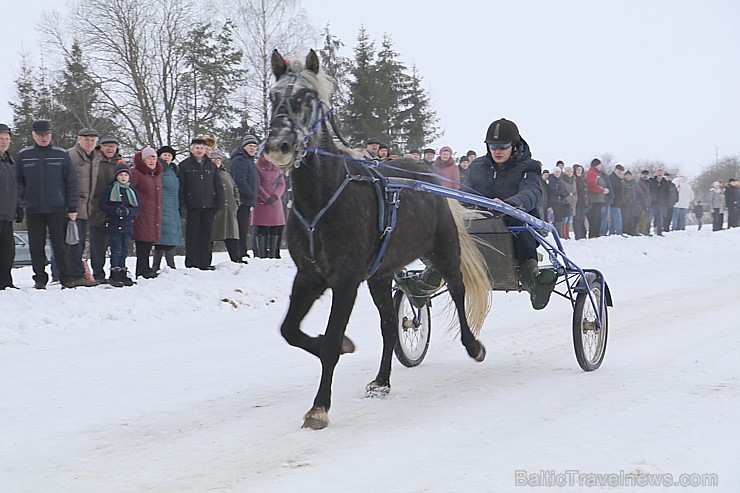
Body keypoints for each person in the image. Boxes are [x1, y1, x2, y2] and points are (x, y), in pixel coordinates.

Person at [464, 118, 556, 310]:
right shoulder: (477, 167)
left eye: (503, 146)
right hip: (482, 226)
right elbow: (465, 192)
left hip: (516, 226)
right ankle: (428, 281)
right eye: (492, 146)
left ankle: (534, 284)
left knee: (522, 229)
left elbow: (532, 192)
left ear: (514, 146)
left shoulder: (529, 167)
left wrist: (508, 204)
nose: (497, 151)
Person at [16, 120, 96, 289]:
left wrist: (72, 207)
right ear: (33, 136)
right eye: (40, 135)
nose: (44, 138)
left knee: (61, 246)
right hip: (34, 208)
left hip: (57, 208)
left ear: (51, 135)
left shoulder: (61, 154)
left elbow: (71, 182)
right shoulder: (24, 155)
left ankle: (65, 278)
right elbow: (18, 180)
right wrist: (24, 197)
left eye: (46, 134)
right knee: (36, 246)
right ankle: (39, 278)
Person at [179, 137, 223, 269]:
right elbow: (181, 188)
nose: (199, 150)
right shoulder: (184, 165)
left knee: (206, 236)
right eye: (197, 148)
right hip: (193, 206)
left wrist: (219, 204)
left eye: (202, 148)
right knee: (192, 236)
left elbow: (218, 186)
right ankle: (192, 263)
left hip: (209, 206)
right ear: (192, 150)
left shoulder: (211, 166)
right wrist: (182, 206)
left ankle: (205, 263)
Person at [66, 127, 102, 285]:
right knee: (72, 241)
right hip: (73, 205)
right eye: (86, 139)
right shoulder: (69, 156)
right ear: (78, 140)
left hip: (87, 206)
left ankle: (77, 273)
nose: (89, 143)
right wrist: (69, 206)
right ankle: (73, 274)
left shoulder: (96, 157)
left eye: (93, 140)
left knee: (79, 241)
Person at [99, 163, 140, 287]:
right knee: (116, 249)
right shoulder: (111, 189)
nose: (123, 177)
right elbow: (103, 205)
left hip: (127, 225)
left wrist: (129, 212)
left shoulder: (131, 191)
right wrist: (115, 211)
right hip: (114, 224)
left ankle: (122, 270)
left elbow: (137, 208)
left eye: (125, 175)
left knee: (124, 250)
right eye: (121, 175)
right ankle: (114, 271)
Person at [89, 135, 123, 283]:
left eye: (113, 146)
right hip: (97, 208)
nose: (110, 149)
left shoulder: (120, 163)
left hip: (116, 210)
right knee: (98, 245)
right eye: (107, 146)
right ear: (100, 147)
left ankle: (117, 271)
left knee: (117, 243)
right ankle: (98, 273)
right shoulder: (94, 161)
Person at [130, 147, 162, 278]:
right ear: (143, 160)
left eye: (154, 158)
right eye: (149, 158)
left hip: (154, 212)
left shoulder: (156, 175)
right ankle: (142, 269)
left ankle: (145, 268)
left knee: (148, 241)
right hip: (141, 212)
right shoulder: (136, 173)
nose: (152, 161)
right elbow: (130, 190)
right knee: (142, 241)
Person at [153, 145, 182, 272]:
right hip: (161, 205)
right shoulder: (158, 169)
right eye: (164, 154)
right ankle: (157, 266)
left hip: (173, 206)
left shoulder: (173, 170)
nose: (167, 157)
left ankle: (170, 265)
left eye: (169, 155)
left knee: (169, 236)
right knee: (161, 237)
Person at [230, 135, 259, 261]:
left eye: (254, 146)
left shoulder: (249, 160)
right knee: (240, 227)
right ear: (244, 146)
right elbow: (239, 180)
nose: (252, 148)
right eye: (250, 146)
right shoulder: (240, 160)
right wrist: (251, 193)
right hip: (241, 199)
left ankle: (243, 250)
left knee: (244, 227)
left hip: (247, 200)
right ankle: (239, 252)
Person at [0, 123, 22, 290]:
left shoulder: (10, 161)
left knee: (8, 251)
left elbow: (15, 187)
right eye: (1, 138)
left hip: (7, 213)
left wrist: (19, 206)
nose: (4, 142)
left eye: (7, 138)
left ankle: (5, 281)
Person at [211, 149, 242, 262]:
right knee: (212, 235)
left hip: (230, 209)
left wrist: (236, 202)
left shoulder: (226, 174)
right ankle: (206, 260)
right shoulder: (209, 173)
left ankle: (236, 258)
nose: (216, 161)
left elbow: (235, 189)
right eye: (214, 159)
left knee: (232, 234)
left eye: (218, 159)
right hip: (216, 210)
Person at [252, 155, 286, 258]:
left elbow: (281, 184)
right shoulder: (257, 167)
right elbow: (257, 185)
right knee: (261, 227)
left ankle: (273, 254)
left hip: (276, 202)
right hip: (262, 202)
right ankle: (262, 254)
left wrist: (276, 196)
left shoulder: (277, 168)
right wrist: (266, 197)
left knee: (276, 227)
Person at [585, 158, 609, 238]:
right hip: (594, 200)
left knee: (598, 218)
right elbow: (592, 186)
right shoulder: (591, 173)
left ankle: (597, 234)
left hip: (599, 199)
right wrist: (602, 190)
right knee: (594, 219)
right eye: (599, 165)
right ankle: (592, 235)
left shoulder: (597, 174)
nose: (600, 166)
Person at [648, 168, 671, 236]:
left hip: (661, 204)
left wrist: (667, 202)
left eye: (661, 174)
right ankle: (647, 231)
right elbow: (648, 191)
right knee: (649, 219)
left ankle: (659, 232)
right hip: (652, 203)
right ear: (656, 174)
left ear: (662, 174)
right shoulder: (651, 181)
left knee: (660, 219)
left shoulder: (666, 183)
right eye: (658, 173)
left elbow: (668, 193)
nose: (659, 175)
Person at [559, 166, 577, 239]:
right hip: (565, 201)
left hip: (573, 200)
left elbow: (575, 191)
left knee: (570, 219)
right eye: (568, 172)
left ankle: (567, 234)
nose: (569, 173)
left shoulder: (573, 180)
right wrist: (566, 198)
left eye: (571, 172)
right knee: (565, 218)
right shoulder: (562, 180)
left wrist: (575, 198)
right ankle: (564, 234)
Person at [572, 164, 589, 240]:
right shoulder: (574, 179)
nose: (579, 172)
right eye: (578, 170)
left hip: (583, 201)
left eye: (580, 170)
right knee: (577, 219)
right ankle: (578, 235)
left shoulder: (583, 179)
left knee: (582, 218)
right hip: (577, 201)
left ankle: (583, 234)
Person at [607, 164, 624, 235]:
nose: (619, 172)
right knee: (617, 217)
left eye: (621, 171)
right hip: (614, 200)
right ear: (615, 170)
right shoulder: (611, 178)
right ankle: (619, 232)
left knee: (613, 218)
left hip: (617, 201)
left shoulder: (618, 179)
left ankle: (612, 232)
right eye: (618, 170)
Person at [636, 170, 652, 235]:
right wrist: (643, 203)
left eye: (646, 174)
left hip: (647, 202)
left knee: (646, 218)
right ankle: (639, 230)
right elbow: (640, 195)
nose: (645, 176)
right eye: (644, 174)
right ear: (641, 175)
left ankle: (644, 230)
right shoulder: (639, 183)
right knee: (641, 218)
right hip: (640, 203)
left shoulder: (648, 183)